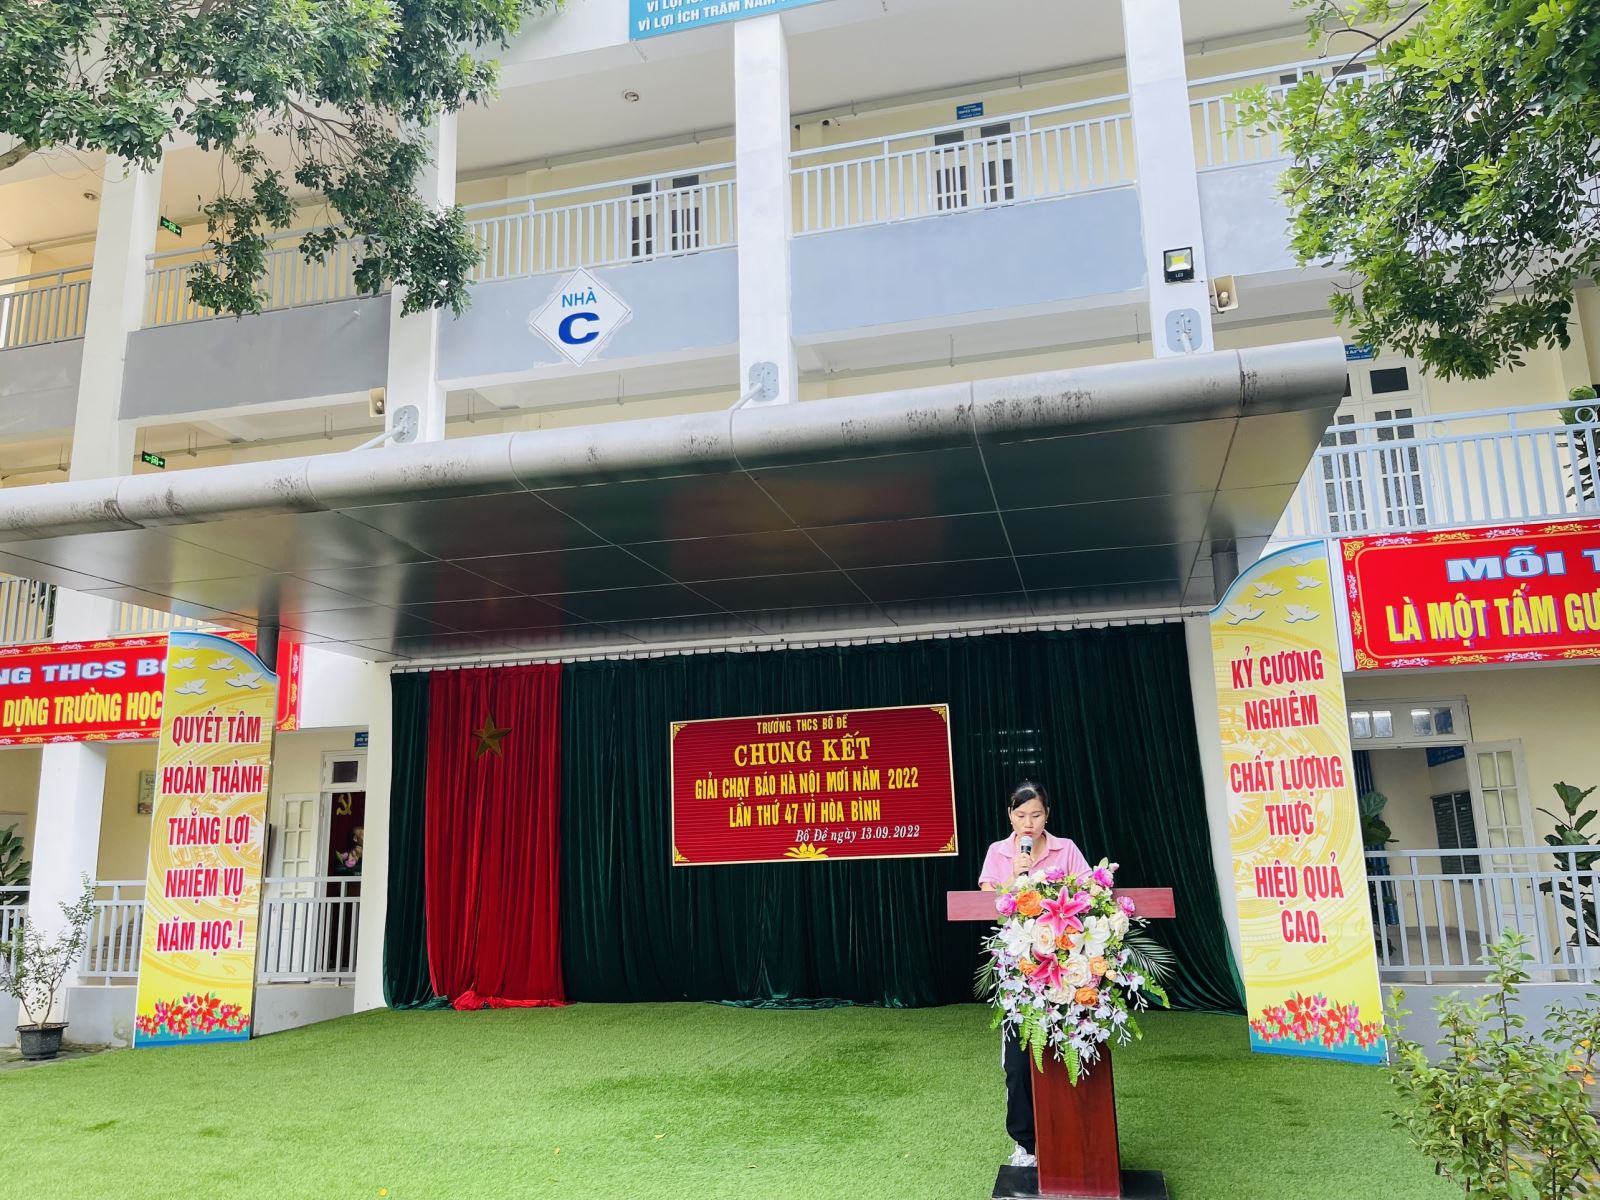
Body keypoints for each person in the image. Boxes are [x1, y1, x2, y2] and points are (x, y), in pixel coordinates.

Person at [978, 780, 1091, 1169]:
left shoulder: (1067, 849)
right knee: (1018, 1062)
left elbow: (1090, 897)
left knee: (1070, 1049)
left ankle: (1077, 1134)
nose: (1029, 823)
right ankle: (1025, 1144)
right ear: (1010, 815)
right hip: (1019, 971)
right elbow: (988, 904)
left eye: (1036, 815)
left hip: (1067, 969)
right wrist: (1015, 876)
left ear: (1048, 815)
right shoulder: (998, 852)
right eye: (1021, 815)